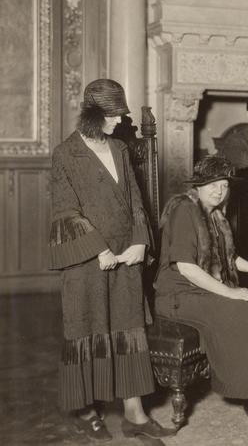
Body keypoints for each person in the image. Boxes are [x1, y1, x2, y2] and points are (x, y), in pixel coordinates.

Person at [49, 79, 173, 443]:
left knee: (128, 328)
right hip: (88, 261)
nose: (120, 121)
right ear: (93, 115)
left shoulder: (119, 148)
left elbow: (136, 200)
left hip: (126, 257)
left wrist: (139, 243)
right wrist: (98, 250)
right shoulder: (64, 154)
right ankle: (87, 410)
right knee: (87, 330)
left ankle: (135, 413)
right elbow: (64, 210)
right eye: (114, 115)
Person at [153, 155, 248, 422]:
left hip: (202, 289)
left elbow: (229, 258)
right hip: (178, 295)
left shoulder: (215, 214)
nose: (220, 190)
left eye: (225, 185)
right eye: (213, 184)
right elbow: (186, 267)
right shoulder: (184, 210)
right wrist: (229, 293)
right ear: (198, 186)